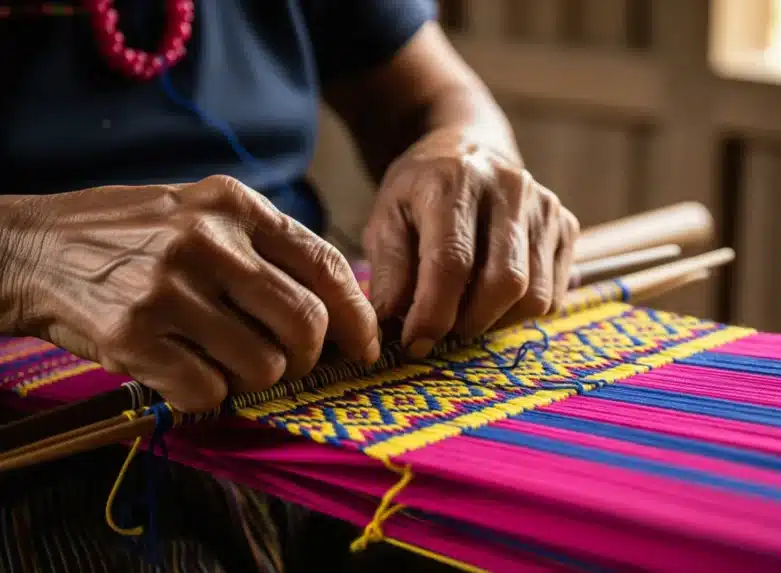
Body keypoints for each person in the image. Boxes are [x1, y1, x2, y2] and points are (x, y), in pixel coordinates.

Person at [0, 1, 579, 571]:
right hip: (55, 420)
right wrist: (25, 253)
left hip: (314, 351)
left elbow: (432, 98)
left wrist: (469, 155)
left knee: (558, 525)